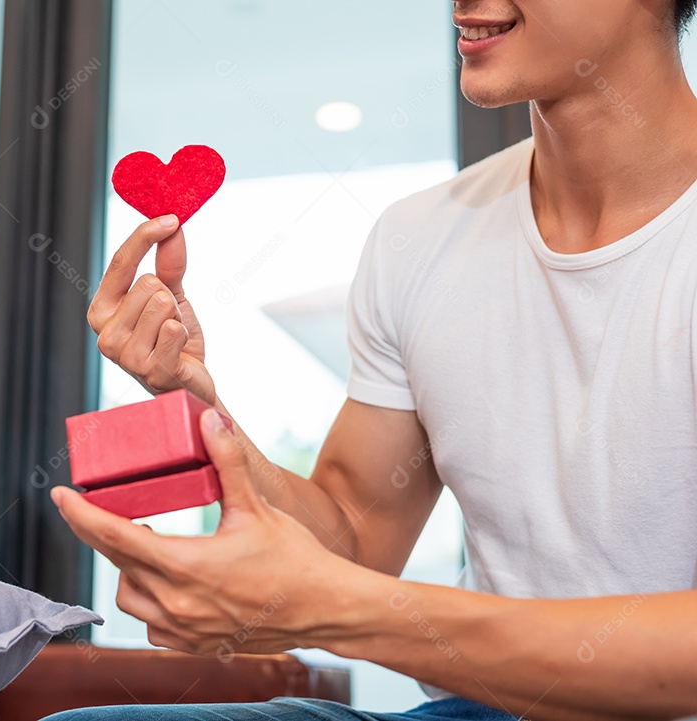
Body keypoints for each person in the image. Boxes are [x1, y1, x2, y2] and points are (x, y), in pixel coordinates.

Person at [48, 0, 697, 718]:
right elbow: (351, 542)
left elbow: (343, 590)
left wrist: (346, 610)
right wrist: (199, 402)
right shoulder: (420, 237)